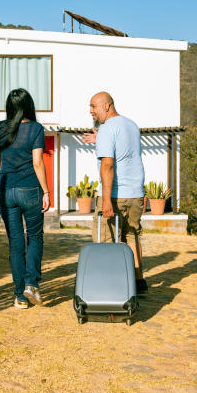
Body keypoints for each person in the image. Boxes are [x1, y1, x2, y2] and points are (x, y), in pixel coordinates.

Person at [0, 89, 51, 309]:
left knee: (16, 242)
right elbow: (37, 163)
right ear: (29, 106)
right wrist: (46, 191)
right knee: (34, 236)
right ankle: (31, 283)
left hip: (6, 190)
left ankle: (20, 297)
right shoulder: (35, 129)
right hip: (30, 189)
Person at [83, 91, 148, 294]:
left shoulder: (108, 128)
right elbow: (124, 151)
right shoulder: (131, 125)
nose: (91, 111)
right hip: (136, 194)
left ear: (107, 106)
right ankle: (138, 283)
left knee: (106, 241)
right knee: (131, 236)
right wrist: (100, 138)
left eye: (94, 106)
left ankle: (111, 289)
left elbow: (108, 165)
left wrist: (107, 200)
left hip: (115, 194)